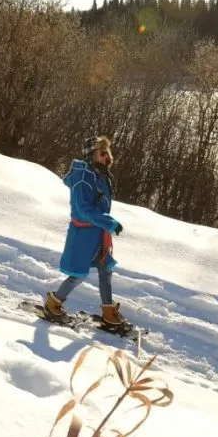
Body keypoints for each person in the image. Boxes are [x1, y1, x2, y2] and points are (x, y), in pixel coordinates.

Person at [44, 136, 128, 327]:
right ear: (92, 156)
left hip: (98, 233)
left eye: (108, 152)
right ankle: (53, 302)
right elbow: (84, 210)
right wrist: (110, 223)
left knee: (106, 269)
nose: (107, 157)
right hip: (84, 234)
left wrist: (106, 224)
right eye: (102, 153)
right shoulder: (83, 178)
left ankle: (108, 311)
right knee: (79, 274)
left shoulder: (100, 174)